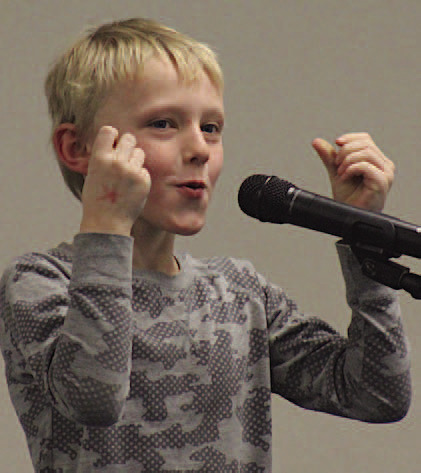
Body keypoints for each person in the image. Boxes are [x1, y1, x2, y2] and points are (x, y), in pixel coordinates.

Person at [0, 17, 411, 473]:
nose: (200, 148)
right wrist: (106, 226)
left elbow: (376, 395)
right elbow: (93, 398)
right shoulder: (40, 282)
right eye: (163, 123)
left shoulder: (240, 293)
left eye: (212, 127)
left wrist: (363, 235)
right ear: (78, 149)